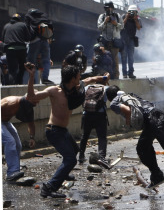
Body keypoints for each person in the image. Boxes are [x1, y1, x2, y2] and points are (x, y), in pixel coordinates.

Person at [26, 63, 110, 198]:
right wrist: (31, 76)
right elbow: (31, 97)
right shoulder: (54, 91)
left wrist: (103, 78)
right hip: (53, 131)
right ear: (72, 79)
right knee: (71, 160)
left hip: (63, 131)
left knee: (76, 151)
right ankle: (49, 187)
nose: (80, 78)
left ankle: (63, 174)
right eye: (78, 76)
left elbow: (89, 80)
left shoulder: (76, 88)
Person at [106, 85, 164, 198]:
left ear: (109, 97)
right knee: (143, 147)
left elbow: (127, 110)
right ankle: (157, 176)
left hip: (152, 119)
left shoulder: (114, 102)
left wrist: (128, 119)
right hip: (155, 114)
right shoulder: (129, 95)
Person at [1, 77, 38, 182]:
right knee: (10, 141)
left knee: (17, 144)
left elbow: (31, 124)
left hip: (5, 122)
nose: (37, 103)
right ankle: (11, 173)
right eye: (35, 101)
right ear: (28, 99)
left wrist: (32, 138)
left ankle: (15, 169)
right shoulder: (11, 102)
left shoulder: (28, 107)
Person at [78, 82, 110, 169]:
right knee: (102, 137)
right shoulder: (105, 88)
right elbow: (105, 100)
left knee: (85, 136)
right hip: (100, 115)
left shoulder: (87, 87)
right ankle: (102, 157)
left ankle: (81, 156)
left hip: (87, 114)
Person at [25, 8, 54, 84]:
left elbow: (26, 28)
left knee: (31, 60)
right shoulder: (44, 17)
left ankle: (32, 79)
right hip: (45, 40)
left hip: (34, 41)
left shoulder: (29, 17)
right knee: (46, 60)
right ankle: (45, 78)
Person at [2, 14, 32, 85]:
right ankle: (19, 83)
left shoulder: (6, 26)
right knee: (22, 68)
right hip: (21, 49)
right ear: (19, 19)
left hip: (9, 49)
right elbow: (28, 38)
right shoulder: (23, 25)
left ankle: (12, 85)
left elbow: (3, 39)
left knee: (12, 70)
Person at [97, 1, 123, 79]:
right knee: (105, 60)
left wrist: (115, 23)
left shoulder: (117, 16)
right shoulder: (102, 16)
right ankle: (106, 77)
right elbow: (99, 27)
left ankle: (116, 77)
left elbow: (122, 27)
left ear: (112, 8)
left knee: (115, 61)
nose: (108, 9)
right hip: (105, 42)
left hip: (115, 42)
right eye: (107, 8)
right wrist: (105, 21)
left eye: (109, 8)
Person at [120, 5, 142, 79]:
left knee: (131, 58)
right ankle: (124, 73)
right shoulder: (123, 16)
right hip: (123, 39)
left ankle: (131, 73)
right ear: (127, 12)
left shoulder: (137, 18)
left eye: (134, 12)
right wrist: (126, 17)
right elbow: (120, 26)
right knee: (124, 57)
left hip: (131, 40)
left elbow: (139, 28)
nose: (132, 13)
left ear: (136, 12)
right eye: (130, 12)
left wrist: (135, 20)